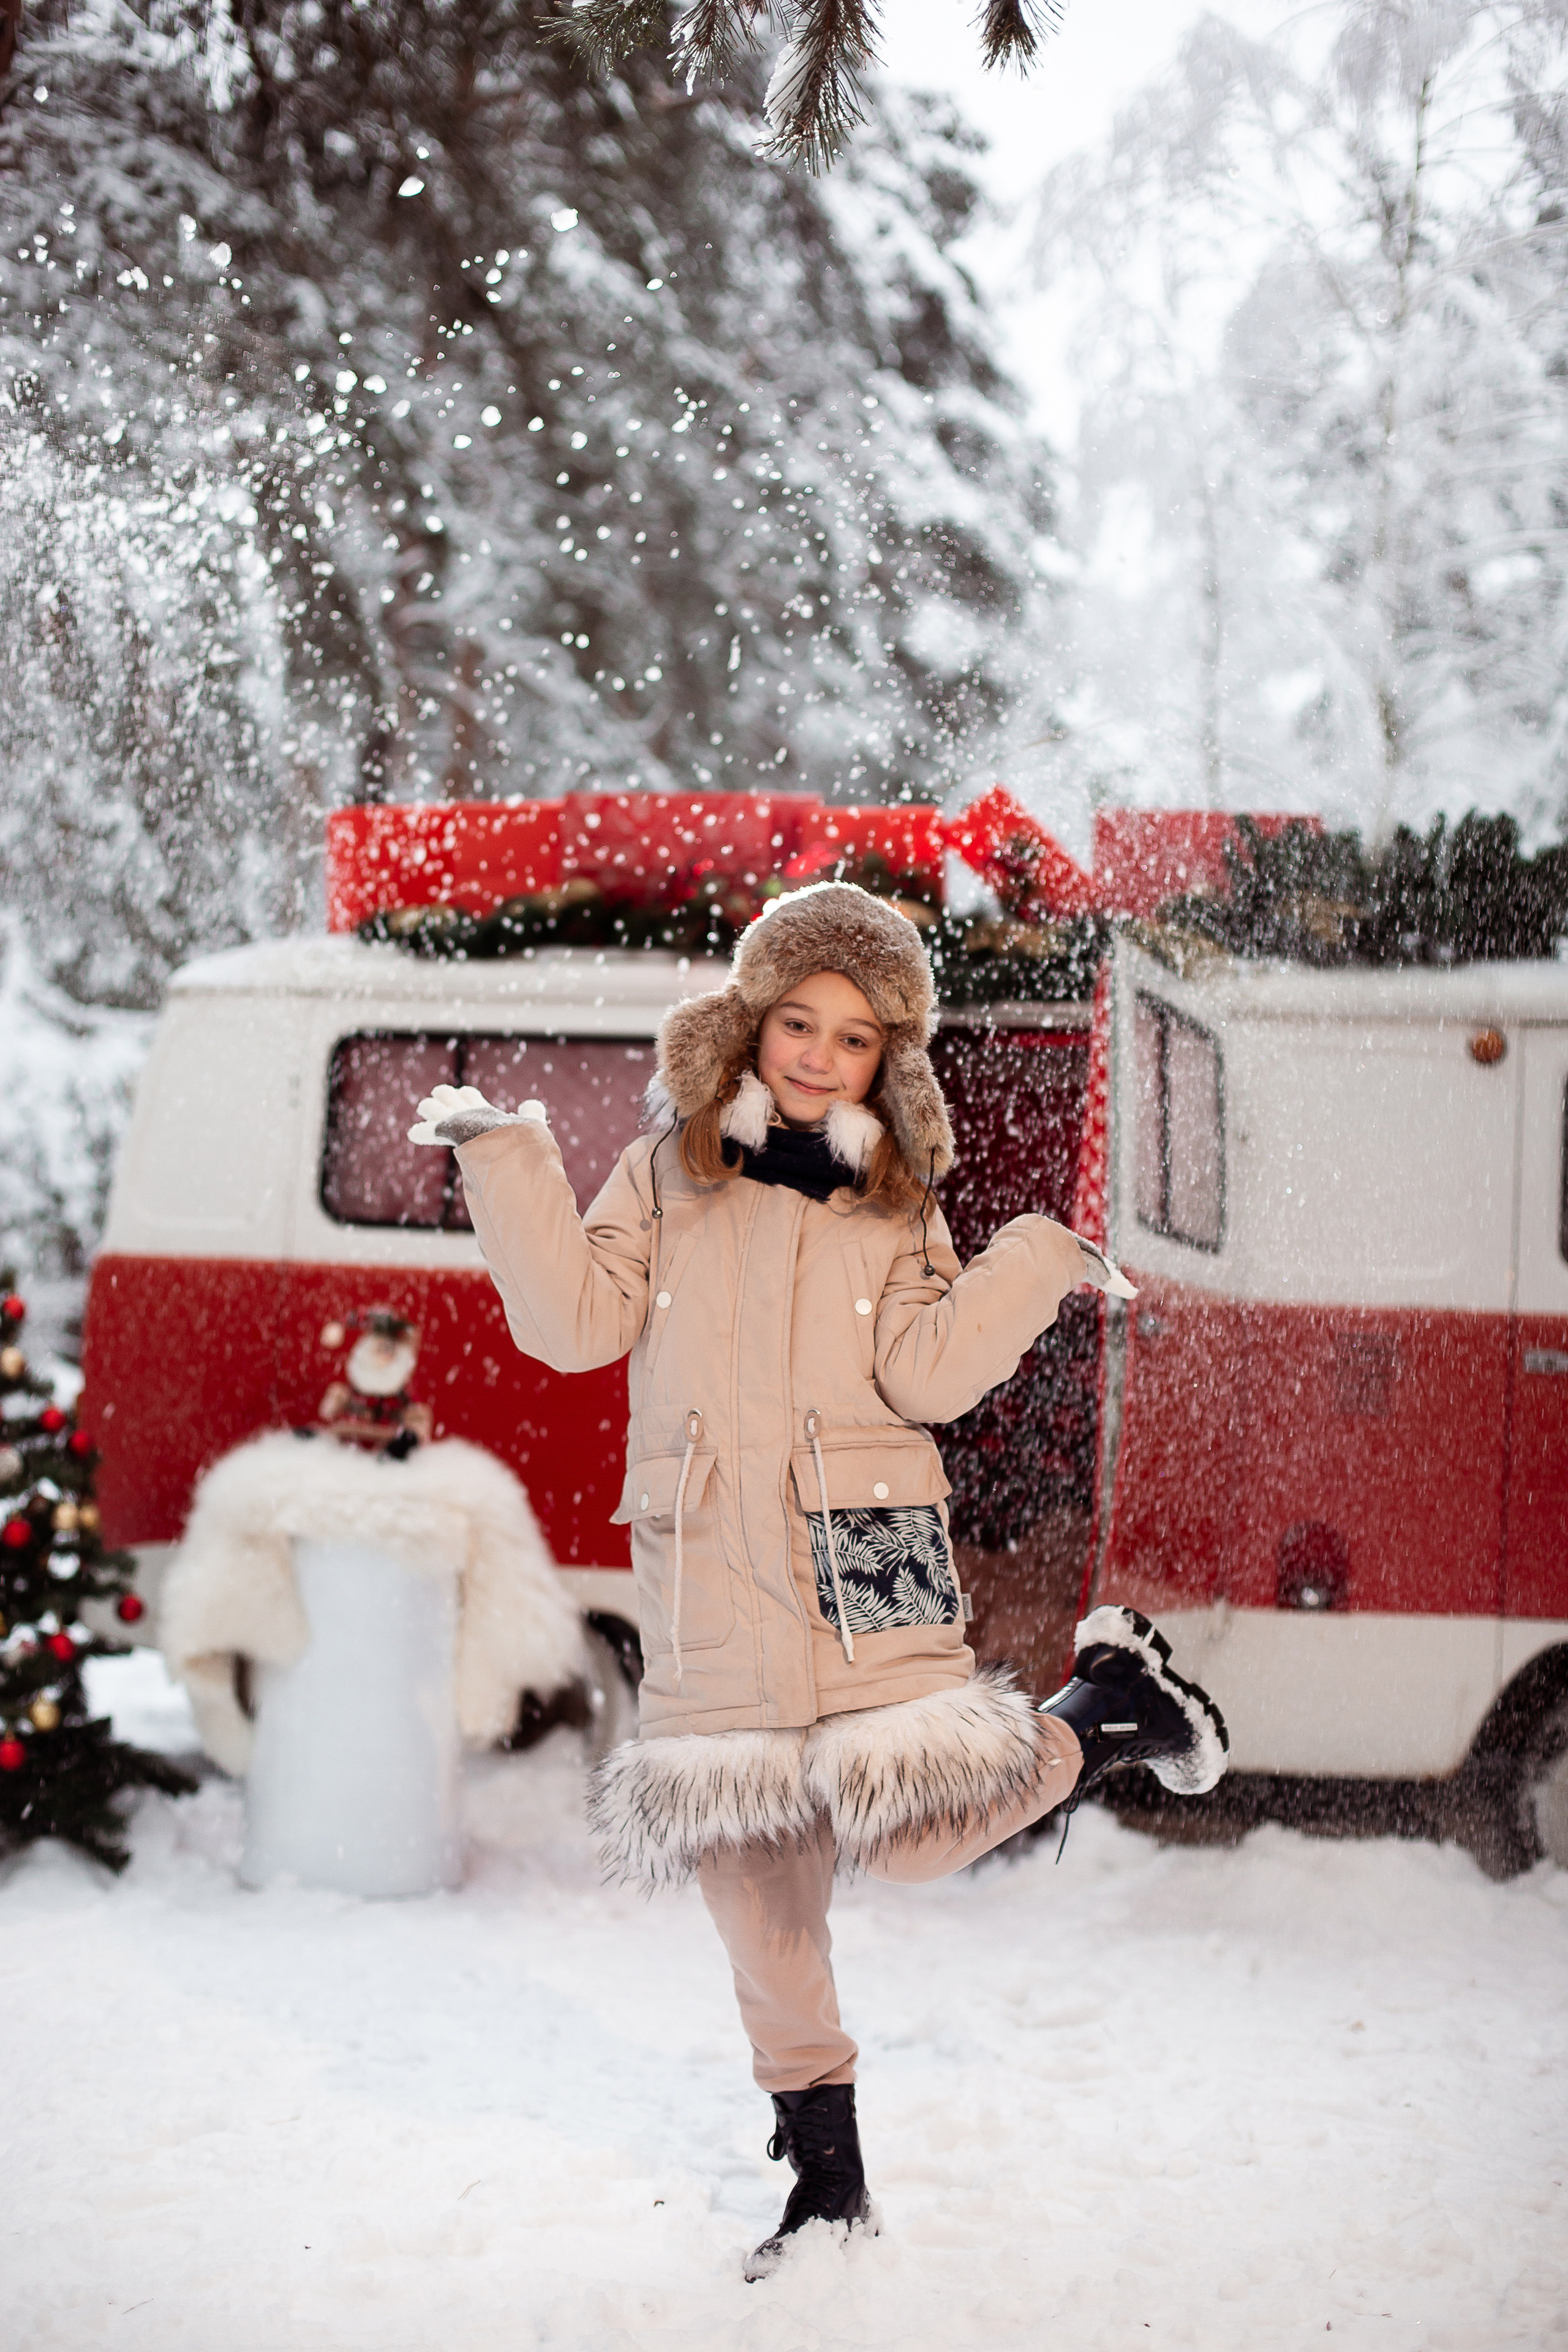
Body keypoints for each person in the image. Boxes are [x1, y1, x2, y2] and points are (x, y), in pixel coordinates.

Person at [409, 881, 1229, 2280]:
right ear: (751, 1021)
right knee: (758, 1897)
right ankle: (829, 2192)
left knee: (917, 1832)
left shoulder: (897, 1201)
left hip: (870, 1551)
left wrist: (1031, 1260)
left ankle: (1108, 1710)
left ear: (884, 1058)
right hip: (711, 1568)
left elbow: (928, 1374)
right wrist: (506, 1158)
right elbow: (572, 1323)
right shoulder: (665, 1171)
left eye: (853, 1038)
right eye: (798, 1021)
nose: (817, 1055)